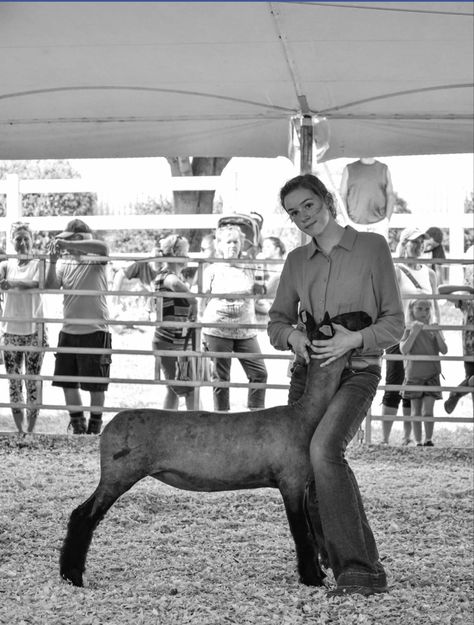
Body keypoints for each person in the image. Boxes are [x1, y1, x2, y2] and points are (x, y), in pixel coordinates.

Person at [268, 174, 404, 597]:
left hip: (357, 372)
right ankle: (325, 557)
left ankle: (361, 571)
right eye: (293, 212)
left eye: (308, 205)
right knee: (304, 467)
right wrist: (293, 337)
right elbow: (276, 323)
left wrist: (354, 339)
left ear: (327, 199)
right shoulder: (295, 261)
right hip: (309, 376)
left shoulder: (372, 248)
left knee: (325, 451)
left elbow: (395, 324)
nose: (302, 217)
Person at [115, 234, 197, 410]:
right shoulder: (167, 276)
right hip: (170, 342)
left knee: (174, 389)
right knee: (189, 390)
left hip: (174, 341)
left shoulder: (167, 275)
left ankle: (168, 425)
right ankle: (195, 426)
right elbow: (175, 284)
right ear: (175, 254)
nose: (188, 257)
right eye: (185, 252)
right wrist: (194, 301)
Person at [45, 218, 111, 435]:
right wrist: (53, 261)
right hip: (69, 329)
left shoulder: (95, 258)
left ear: (80, 239)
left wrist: (70, 246)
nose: (64, 246)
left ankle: (94, 427)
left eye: (69, 241)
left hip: (95, 329)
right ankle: (78, 426)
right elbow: (51, 286)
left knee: (96, 384)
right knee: (67, 382)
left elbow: (103, 247)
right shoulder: (65, 263)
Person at [381, 227, 440, 445]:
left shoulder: (430, 273)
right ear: (404, 243)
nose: (418, 245)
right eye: (414, 241)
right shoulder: (396, 270)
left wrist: (437, 328)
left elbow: (434, 304)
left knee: (412, 385)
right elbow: (388, 300)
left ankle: (407, 436)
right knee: (394, 380)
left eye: (421, 241)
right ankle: (385, 437)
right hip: (400, 332)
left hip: (423, 336)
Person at [200, 224, 268, 412]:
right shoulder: (212, 270)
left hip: (246, 330)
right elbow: (201, 299)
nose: (233, 245)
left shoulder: (249, 268)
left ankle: (256, 413)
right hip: (217, 329)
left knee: (259, 373)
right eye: (228, 242)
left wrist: (260, 292)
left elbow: (258, 297)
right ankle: (221, 417)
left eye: (236, 242)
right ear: (219, 245)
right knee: (221, 378)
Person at [0, 223, 48, 434]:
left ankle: (31, 429)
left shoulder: (38, 263)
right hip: (11, 330)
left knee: (33, 379)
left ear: (32, 239)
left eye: (25, 238)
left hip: (34, 329)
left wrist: (12, 284)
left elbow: (39, 283)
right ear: (12, 241)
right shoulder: (6, 265)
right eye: (18, 239)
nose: (22, 242)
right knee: (14, 381)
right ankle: (20, 429)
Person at [400, 299, 448, 446]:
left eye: (427, 309)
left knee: (428, 411)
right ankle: (417, 441)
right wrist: (414, 333)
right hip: (414, 375)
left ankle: (428, 439)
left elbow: (444, 350)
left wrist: (437, 333)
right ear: (412, 310)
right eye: (419, 309)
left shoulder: (434, 327)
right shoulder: (408, 328)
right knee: (415, 411)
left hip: (432, 375)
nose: (424, 312)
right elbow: (403, 350)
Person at [439, 252, 474, 414]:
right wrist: (466, 288)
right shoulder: (467, 299)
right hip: (470, 346)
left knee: (472, 381)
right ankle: (457, 392)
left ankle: (457, 392)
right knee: (472, 383)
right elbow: (441, 290)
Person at [339, 157, 395, 239]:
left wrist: (386, 221)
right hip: (354, 224)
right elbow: (342, 196)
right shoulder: (348, 169)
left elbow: (390, 195)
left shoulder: (384, 168)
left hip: (379, 225)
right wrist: (347, 221)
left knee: (379, 252)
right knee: (356, 252)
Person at [255, 236, 286, 315]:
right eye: (263, 247)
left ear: (277, 249)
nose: (264, 249)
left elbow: (262, 291)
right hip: (264, 302)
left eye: (268, 247)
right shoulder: (264, 265)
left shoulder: (284, 267)